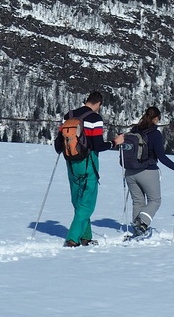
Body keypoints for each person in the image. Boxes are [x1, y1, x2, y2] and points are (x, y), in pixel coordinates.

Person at [54, 91, 124, 247]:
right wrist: (114, 143)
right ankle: (72, 239)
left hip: (71, 162)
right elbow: (98, 145)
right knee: (87, 202)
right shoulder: (95, 118)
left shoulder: (69, 115)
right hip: (88, 162)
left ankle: (86, 236)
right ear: (98, 103)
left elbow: (59, 143)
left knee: (78, 200)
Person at [121, 106, 174, 237]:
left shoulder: (134, 130)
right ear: (156, 119)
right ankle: (142, 223)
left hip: (129, 171)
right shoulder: (155, 134)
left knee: (138, 201)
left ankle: (138, 229)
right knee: (155, 200)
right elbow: (161, 157)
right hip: (148, 171)